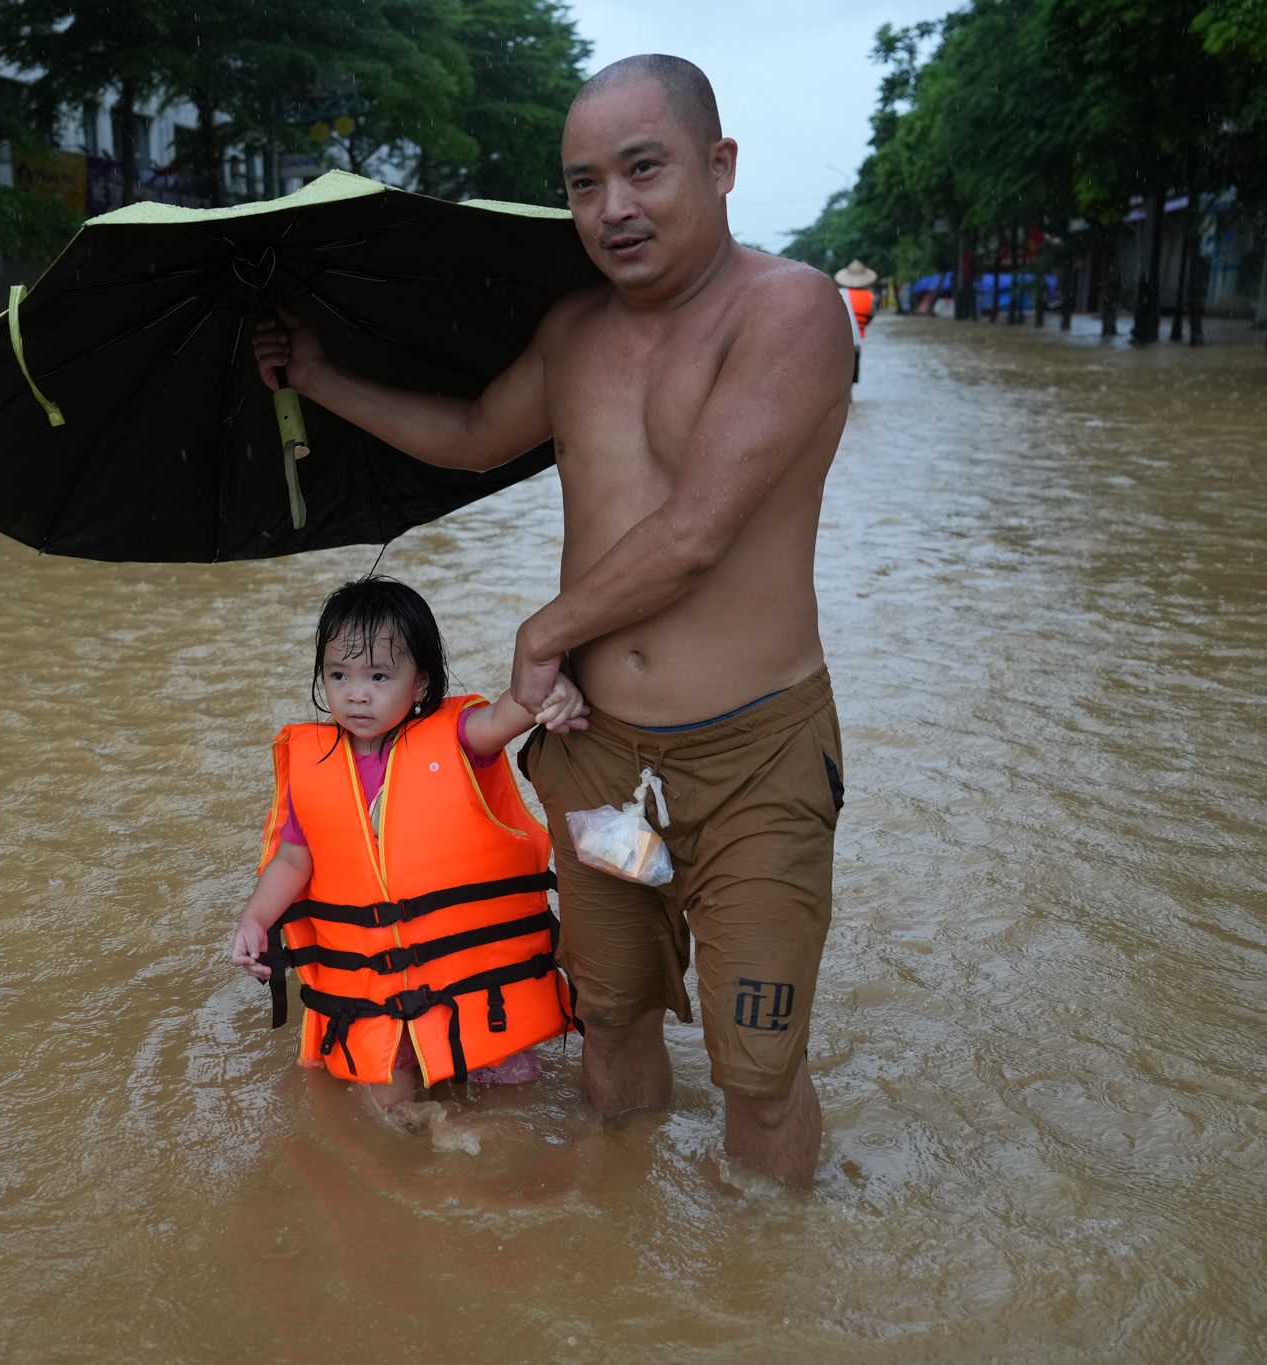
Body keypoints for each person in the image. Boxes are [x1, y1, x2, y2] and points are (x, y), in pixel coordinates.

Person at [252, 55, 852, 1184]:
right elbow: (475, 432)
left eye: (642, 170)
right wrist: (321, 377)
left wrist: (540, 634)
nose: (612, 208)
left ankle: (759, 1299)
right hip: (599, 766)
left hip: (752, 769)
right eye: (582, 184)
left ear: (718, 167)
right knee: (611, 1019)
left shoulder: (790, 308)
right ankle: (619, 1251)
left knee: (758, 1068)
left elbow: (696, 531)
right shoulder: (574, 331)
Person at [229, 576, 590, 1109]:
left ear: (420, 683)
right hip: (378, 1001)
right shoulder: (314, 767)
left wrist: (548, 696)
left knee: (510, 1114)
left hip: (476, 993)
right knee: (389, 1112)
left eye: (378, 675)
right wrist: (255, 918)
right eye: (338, 674)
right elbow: (292, 858)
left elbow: (508, 713)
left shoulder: (461, 738)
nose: (356, 692)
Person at [835, 260, 879, 383]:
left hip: (839, 337)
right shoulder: (870, 296)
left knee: (840, 367)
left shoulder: (838, 294)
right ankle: (850, 394)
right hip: (856, 339)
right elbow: (870, 316)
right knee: (853, 365)